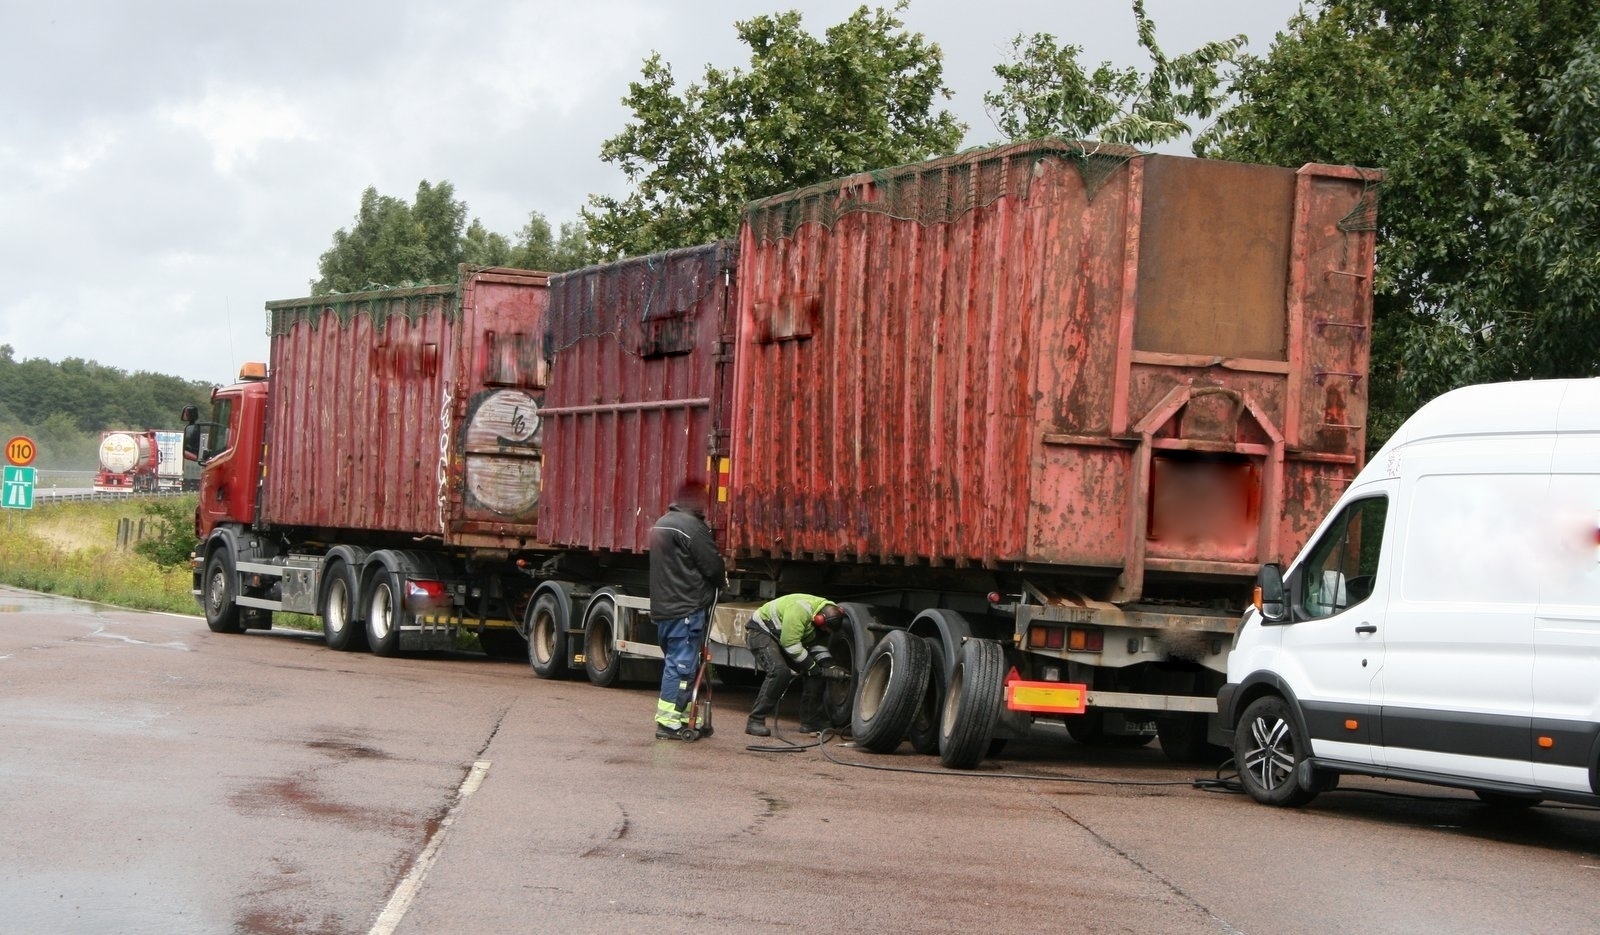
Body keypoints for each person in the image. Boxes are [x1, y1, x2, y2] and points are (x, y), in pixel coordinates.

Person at [649, 481, 726, 741]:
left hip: (665, 608)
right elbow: (713, 567)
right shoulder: (692, 527)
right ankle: (669, 723)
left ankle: (681, 716)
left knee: (679, 663)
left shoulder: (662, 523)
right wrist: (721, 579)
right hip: (686, 609)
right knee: (681, 666)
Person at [744, 594, 849, 737]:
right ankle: (755, 721)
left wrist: (829, 666)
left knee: (816, 674)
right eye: (824, 629)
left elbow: (817, 646)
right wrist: (814, 668)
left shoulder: (824, 618)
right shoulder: (800, 610)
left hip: (784, 637)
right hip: (762, 632)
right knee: (780, 672)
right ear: (818, 620)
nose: (826, 632)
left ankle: (810, 722)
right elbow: (790, 644)